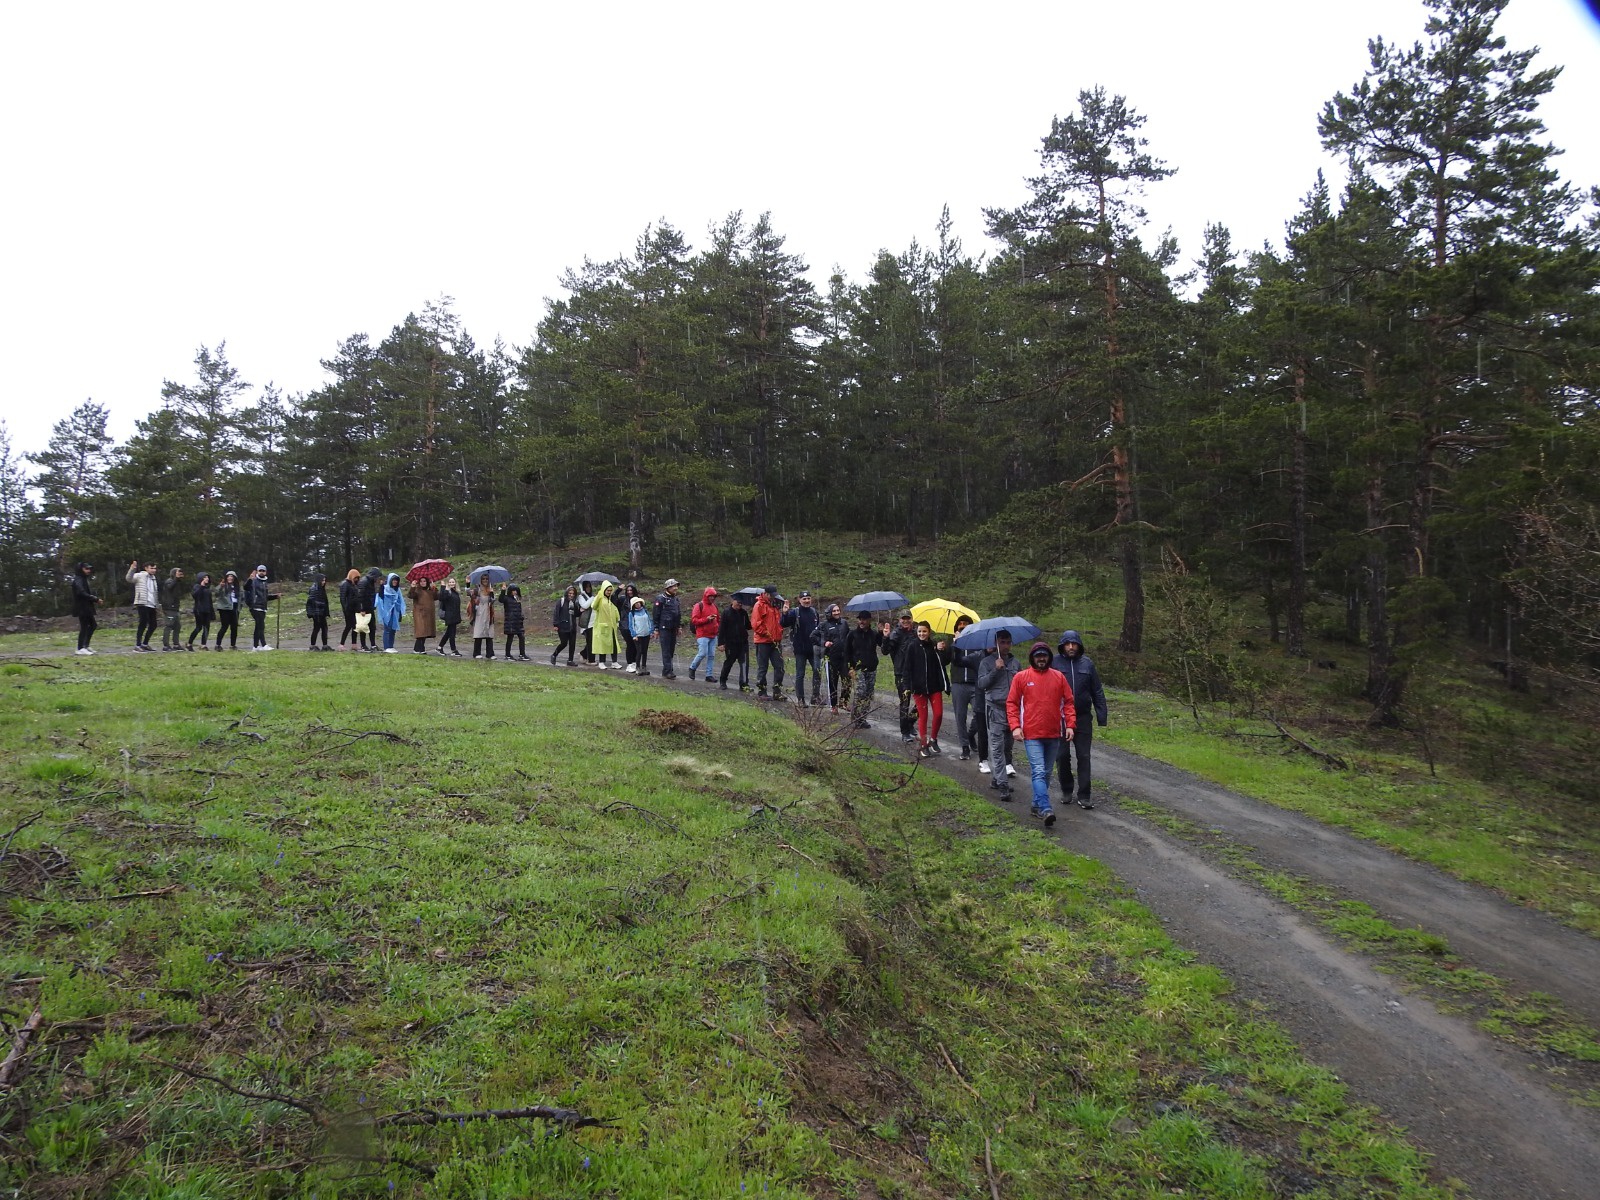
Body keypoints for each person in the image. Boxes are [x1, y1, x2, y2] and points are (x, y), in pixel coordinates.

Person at [1006, 641, 1076, 827]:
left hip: (1054, 733)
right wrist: (1015, 726)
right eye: (1038, 656)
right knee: (1038, 771)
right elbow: (1012, 703)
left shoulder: (1059, 677)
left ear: (1049, 657)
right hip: (1031, 733)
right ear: (1032, 658)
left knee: (1045, 773)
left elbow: (1068, 702)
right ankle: (1046, 808)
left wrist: (1070, 725)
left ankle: (1036, 805)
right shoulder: (1021, 677)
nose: (1041, 659)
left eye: (1044, 655)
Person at [1052, 630, 1109, 809]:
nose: (1071, 647)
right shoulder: (1054, 663)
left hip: (1083, 717)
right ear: (1062, 645)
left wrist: (1102, 715)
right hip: (1060, 717)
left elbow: (1097, 690)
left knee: (1084, 756)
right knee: (1062, 756)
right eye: (1067, 644)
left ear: (1079, 645)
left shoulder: (1087, 664)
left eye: (1074, 644)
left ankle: (1084, 795)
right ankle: (1067, 790)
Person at [976, 632, 1021, 799]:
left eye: (1009, 642)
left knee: (1008, 746)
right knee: (996, 746)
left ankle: (996, 778)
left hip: (1012, 710)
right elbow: (981, 684)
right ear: (996, 643)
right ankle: (1003, 783)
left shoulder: (1015, 662)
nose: (1006, 645)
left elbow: (1022, 684)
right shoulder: (987, 662)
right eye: (1002, 642)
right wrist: (996, 669)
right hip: (995, 708)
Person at [903, 620, 950, 757]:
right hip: (919, 688)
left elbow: (944, 663)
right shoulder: (912, 646)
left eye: (924, 631)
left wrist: (943, 650)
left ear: (929, 632)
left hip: (935, 686)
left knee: (939, 713)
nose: (922, 634)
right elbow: (907, 668)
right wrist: (907, 686)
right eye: (919, 631)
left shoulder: (934, 647)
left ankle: (933, 739)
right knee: (923, 716)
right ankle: (923, 745)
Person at [843, 610, 888, 728]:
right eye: (860, 619)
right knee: (860, 693)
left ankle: (863, 718)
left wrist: (881, 633)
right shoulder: (852, 634)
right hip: (858, 669)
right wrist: (850, 668)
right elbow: (847, 652)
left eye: (864, 619)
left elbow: (883, 647)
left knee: (868, 694)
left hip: (872, 668)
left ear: (869, 621)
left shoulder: (873, 634)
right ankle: (855, 718)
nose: (861, 621)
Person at [949, 616, 984, 761]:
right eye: (960, 624)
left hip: (974, 684)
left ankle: (970, 735)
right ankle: (964, 747)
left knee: (979, 713)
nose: (962, 626)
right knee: (960, 716)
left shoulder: (977, 644)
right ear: (956, 627)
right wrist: (952, 645)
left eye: (966, 624)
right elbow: (946, 659)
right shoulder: (952, 644)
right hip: (958, 684)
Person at [883, 611, 919, 743]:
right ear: (899, 620)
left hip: (916, 672)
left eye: (907, 618)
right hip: (901, 673)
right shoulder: (896, 634)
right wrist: (886, 637)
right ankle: (905, 732)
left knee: (921, 702)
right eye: (903, 619)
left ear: (912, 619)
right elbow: (885, 651)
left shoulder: (916, 633)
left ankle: (910, 722)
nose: (905, 621)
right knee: (905, 702)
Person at [781, 590, 821, 706]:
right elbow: (783, 624)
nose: (807, 601)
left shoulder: (814, 612)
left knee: (817, 671)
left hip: (813, 649)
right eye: (804, 599)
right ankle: (800, 699)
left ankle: (815, 696)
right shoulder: (794, 612)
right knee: (800, 674)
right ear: (799, 600)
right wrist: (784, 613)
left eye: (808, 598)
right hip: (800, 649)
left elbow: (818, 629)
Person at [751, 585, 786, 700]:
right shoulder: (758, 606)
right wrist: (768, 634)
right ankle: (762, 692)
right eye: (771, 595)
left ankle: (777, 691)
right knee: (763, 667)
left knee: (779, 667)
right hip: (763, 641)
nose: (773, 597)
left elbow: (779, 622)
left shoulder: (775, 605)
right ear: (765, 594)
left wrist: (779, 632)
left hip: (776, 641)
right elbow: (756, 625)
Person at [814, 603, 849, 711]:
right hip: (831, 657)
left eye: (838, 610)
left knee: (847, 680)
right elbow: (813, 636)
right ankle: (833, 706)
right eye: (834, 611)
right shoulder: (824, 625)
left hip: (844, 657)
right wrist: (824, 643)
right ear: (829, 613)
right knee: (833, 682)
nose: (837, 612)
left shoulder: (844, 623)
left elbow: (849, 635)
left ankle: (843, 702)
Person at [717, 594, 750, 690]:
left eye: (741, 603)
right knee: (729, 663)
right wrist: (721, 643)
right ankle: (723, 681)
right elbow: (722, 629)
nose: (739, 605)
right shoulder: (726, 612)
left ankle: (743, 684)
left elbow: (748, 626)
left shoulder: (743, 613)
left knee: (744, 664)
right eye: (738, 602)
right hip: (731, 643)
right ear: (733, 602)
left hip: (743, 643)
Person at [125, 559, 160, 652]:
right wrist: (132, 569)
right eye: (151, 568)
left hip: (152, 604)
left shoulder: (154, 578)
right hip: (142, 603)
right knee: (143, 623)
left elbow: (154, 592)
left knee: (153, 625)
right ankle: (138, 645)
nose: (154, 570)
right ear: (146, 568)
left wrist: (157, 604)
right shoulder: (140, 575)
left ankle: (145, 643)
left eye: (155, 568)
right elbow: (129, 579)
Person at [688, 586, 719, 681]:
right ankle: (692, 668)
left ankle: (709, 675)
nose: (712, 598)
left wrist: (717, 626)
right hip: (702, 634)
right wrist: (707, 619)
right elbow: (694, 620)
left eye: (714, 596)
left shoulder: (714, 606)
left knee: (711, 655)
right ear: (706, 595)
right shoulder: (699, 605)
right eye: (711, 596)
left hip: (713, 634)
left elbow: (718, 619)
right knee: (702, 653)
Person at [653, 578, 682, 678]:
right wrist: (656, 629)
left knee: (671, 650)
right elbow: (656, 614)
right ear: (668, 587)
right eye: (673, 586)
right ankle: (668, 671)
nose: (675, 588)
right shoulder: (660, 598)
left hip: (673, 628)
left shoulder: (676, 599)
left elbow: (678, 614)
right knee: (666, 650)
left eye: (676, 586)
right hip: (664, 627)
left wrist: (679, 626)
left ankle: (667, 670)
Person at [590, 581, 623, 668]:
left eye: (610, 590)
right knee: (603, 645)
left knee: (614, 645)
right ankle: (601, 662)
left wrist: (617, 620)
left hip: (611, 626)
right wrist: (599, 596)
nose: (609, 592)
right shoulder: (600, 599)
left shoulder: (609, 600)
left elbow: (614, 609)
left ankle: (614, 662)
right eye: (607, 590)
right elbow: (593, 606)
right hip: (603, 626)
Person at [71, 562, 100, 655]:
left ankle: (85, 646)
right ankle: (80, 648)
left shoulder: (83, 579)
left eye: (89, 569)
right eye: (86, 569)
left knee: (93, 625)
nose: (88, 571)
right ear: (81, 569)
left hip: (87, 606)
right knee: (84, 627)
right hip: (81, 607)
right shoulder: (78, 579)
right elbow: (81, 592)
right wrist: (95, 598)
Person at [244, 565, 275, 651]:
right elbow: (245, 587)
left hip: (263, 607)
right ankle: (263, 645)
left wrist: (276, 596)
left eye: (263, 571)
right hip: (255, 606)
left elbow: (265, 596)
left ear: (266, 572)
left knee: (259, 626)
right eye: (260, 570)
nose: (261, 572)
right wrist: (250, 579)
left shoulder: (265, 582)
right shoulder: (253, 580)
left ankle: (256, 646)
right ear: (257, 571)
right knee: (260, 625)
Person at [374, 572, 406, 653]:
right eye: (393, 580)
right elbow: (379, 599)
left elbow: (400, 600)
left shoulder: (397, 590)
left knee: (393, 629)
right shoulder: (384, 588)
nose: (395, 582)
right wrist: (381, 587)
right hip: (386, 612)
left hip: (395, 612)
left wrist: (400, 612)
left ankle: (391, 646)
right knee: (387, 629)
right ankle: (386, 647)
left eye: (396, 580)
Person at [406, 577, 437, 655]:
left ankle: (421, 648)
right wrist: (412, 587)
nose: (423, 583)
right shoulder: (417, 591)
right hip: (419, 614)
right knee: (421, 632)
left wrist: (435, 588)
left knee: (426, 632)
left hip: (428, 615)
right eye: (421, 581)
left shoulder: (430, 591)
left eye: (424, 581)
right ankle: (417, 648)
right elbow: (411, 595)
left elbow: (437, 597)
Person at [468, 578, 497, 659]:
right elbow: (469, 594)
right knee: (478, 633)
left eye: (487, 579)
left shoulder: (490, 589)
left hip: (488, 613)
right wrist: (467, 584)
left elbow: (492, 601)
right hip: (479, 613)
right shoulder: (477, 589)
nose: (485, 580)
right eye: (483, 579)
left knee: (489, 633)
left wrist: (492, 593)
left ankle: (490, 653)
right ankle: (476, 653)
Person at [551, 585, 580, 665]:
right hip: (563, 626)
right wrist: (555, 625)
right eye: (570, 593)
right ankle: (554, 655)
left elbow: (576, 614)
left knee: (572, 644)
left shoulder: (575, 603)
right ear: (567, 593)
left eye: (573, 594)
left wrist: (580, 610)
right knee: (564, 643)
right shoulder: (561, 601)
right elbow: (556, 613)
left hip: (572, 627)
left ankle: (570, 660)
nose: (571, 595)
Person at [214, 570, 242, 650]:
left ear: (234, 578)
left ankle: (233, 645)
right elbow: (216, 593)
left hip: (234, 608)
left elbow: (240, 597)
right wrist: (220, 586)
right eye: (229, 576)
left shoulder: (237, 587)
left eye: (232, 576)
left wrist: (239, 607)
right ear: (226, 578)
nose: (230, 578)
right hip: (224, 608)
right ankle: (217, 645)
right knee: (224, 626)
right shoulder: (223, 586)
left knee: (234, 627)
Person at [159, 567, 186, 651]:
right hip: (169, 607)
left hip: (175, 607)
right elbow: (170, 587)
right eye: (178, 572)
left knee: (177, 626)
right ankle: (166, 645)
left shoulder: (177, 583)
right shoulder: (169, 581)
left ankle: (176, 644)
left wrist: (178, 579)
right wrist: (176, 578)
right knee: (169, 625)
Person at [627, 595, 655, 674]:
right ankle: (638, 667)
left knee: (645, 651)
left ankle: (644, 667)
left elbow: (650, 621)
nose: (638, 604)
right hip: (638, 635)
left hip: (646, 634)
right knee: (639, 651)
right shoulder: (631, 613)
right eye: (636, 603)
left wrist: (651, 631)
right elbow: (631, 625)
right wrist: (634, 635)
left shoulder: (645, 611)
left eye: (638, 602)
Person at [437, 578, 463, 656]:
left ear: (455, 583)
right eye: (450, 582)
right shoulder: (447, 592)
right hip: (450, 615)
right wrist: (443, 587)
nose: (452, 583)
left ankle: (439, 647)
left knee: (448, 633)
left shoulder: (455, 592)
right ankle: (453, 650)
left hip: (455, 615)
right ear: (447, 583)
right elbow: (441, 598)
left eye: (453, 582)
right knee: (452, 634)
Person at [357, 568, 382, 652]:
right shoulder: (364, 582)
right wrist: (362, 609)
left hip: (370, 607)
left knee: (372, 627)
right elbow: (360, 596)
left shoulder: (371, 582)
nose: (377, 579)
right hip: (364, 608)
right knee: (363, 627)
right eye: (377, 577)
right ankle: (363, 646)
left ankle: (373, 645)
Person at [502, 584, 527, 660]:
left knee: (521, 637)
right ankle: (507, 655)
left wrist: (521, 617)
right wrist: (503, 590)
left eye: (516, 590)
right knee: (510, 638)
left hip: (518, 622)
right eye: (513, 590)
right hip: (510, 622)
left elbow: (519, 610)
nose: (515, 592)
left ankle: (522, 654)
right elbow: (501, 599)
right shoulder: (506, 598)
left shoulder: (517, 599)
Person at [306, 574, 331, 650]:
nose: (324, 582)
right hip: (317, 613)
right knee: (316, 628)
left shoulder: (321, 588)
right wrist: (322, 606)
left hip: (321, 612)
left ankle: (325, 645)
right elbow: (312, 601)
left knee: (324, 628)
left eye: (324, 580)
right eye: (323, 580)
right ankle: (313, 646)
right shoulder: (314, 589)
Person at [338, 568, 362, 649]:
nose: (357, 579)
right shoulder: (345, 584)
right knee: (348, 626)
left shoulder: (353, 585)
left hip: (354, 609)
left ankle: (354, 644)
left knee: (355, 627)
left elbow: (356, 598)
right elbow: (342, 598)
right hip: (348, 609)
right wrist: (345, 609)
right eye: (356, 578)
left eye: (358, 578)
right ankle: (342, 644)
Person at [577, 582, 597, 664]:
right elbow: (585, 605)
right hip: (586, 623)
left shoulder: (592, 596)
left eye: (589, 587)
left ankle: (584, 654)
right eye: (586, 587)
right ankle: (591, 660)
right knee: (590, 641)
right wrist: (592, 598)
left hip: (594, 622)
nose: (588, 588)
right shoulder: (581, 596)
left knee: (593, 641)